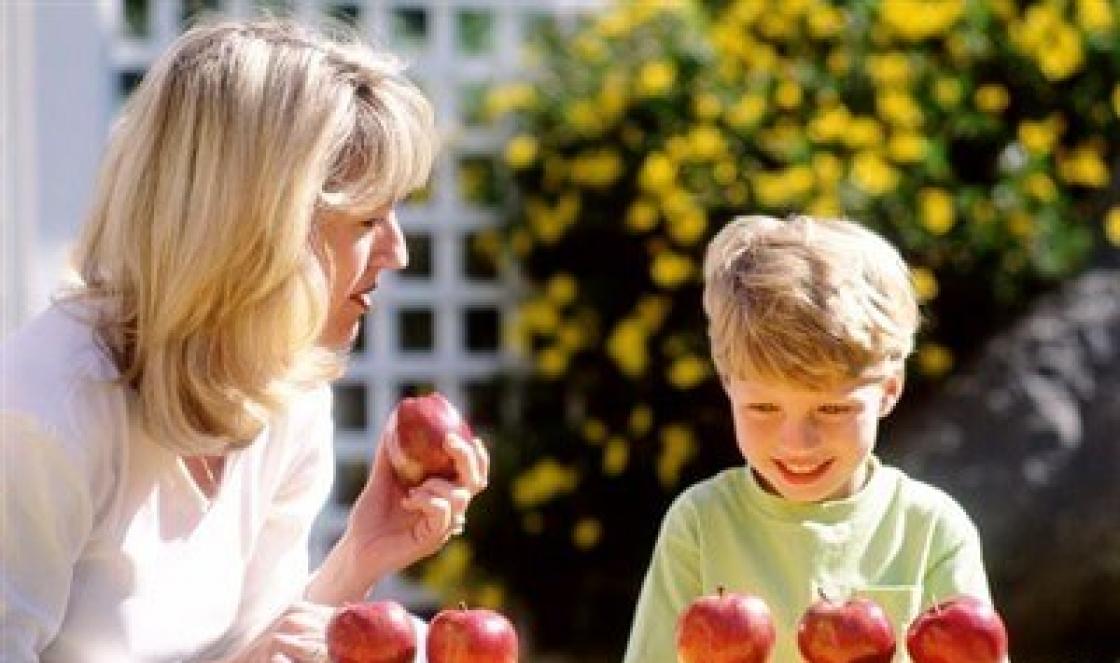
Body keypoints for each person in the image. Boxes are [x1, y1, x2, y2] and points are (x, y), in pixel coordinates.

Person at [0, 17, 489, 663]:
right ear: (261, 227)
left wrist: (362, 553)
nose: (396, 252)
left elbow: (256, 655)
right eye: (369, 218)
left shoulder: (285, 389)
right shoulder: (42, 414)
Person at [623, 215, 1002, 662]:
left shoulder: (931, 528)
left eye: (833, 409)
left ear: (889, 390)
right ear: (728, 385)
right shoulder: (700, 525)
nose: (797, 442)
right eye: (763, 408)